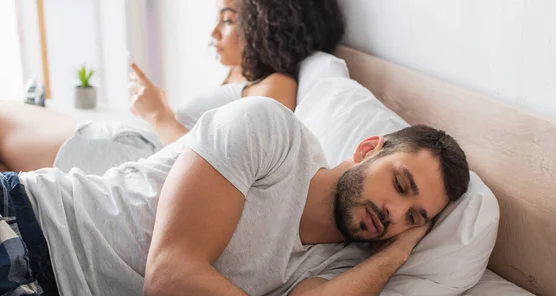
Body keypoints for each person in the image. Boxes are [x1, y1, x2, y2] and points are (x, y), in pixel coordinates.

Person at [1, 97, 470, 296]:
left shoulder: (346, 265)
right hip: (26, 226)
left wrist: (395, 253)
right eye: (401, 185)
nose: (393, 213)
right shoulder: (270, 132)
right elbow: (170, 277)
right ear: (369, 150)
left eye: (414, 218)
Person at [0, 0, 344, 174]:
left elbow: (226, 165)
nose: (213, 34)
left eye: (226, 20)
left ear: (268, 26)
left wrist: (159, 114)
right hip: (136, 148)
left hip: (139, 160)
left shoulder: (278, 85)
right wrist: (156, 112)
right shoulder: (241, 79)